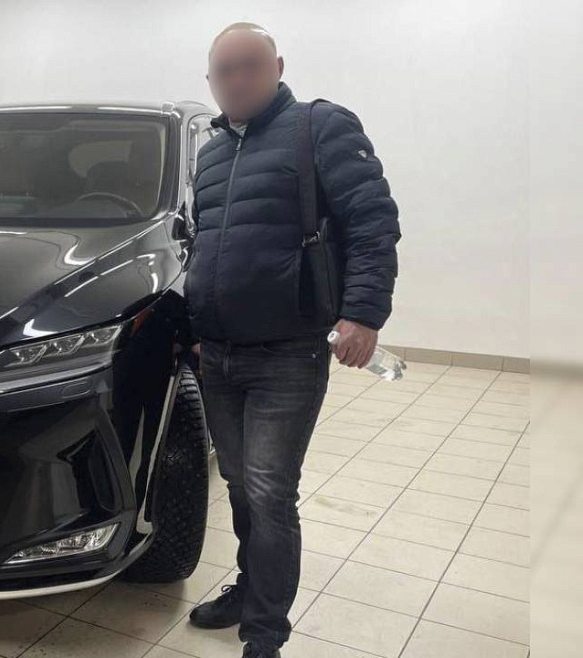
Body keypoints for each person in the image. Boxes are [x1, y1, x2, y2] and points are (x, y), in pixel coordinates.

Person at [183, 22, 401, 658]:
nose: (236, 80)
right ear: (211, 81)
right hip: (219, 353)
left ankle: (265, 633)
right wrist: (196, 328)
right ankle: (250, 589)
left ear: (277, 67)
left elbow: (373, 222)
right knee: (239, 486)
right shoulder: (210, 154)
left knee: (270, 491)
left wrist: (363, 314)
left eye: (249, 66)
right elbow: (207, 245)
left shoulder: (318, 126)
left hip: (288, 353)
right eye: (224, 71)